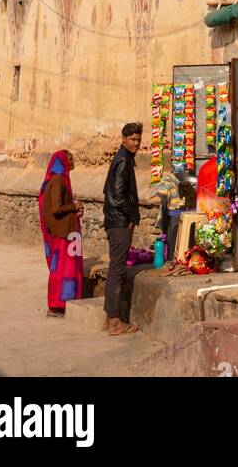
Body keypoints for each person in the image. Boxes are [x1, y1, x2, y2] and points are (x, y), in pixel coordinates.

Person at [102, 121, 142, 335]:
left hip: (114, 220)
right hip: (119, 222)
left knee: (115, 267)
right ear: (124, 140)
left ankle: (110, 318)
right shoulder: (123, 161)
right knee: (118, 269)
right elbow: (118, 196)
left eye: (138, 139)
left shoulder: (122, 159)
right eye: (133, 139)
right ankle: (115, 321)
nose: (136, 143)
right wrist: (131, 215)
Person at [37, 149, 84, 318]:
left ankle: (64, 303)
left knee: (66, 270)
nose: (72, 162)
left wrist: (74, 211)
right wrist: (75, 207)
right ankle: (57, 305)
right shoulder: (58, 180)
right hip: (64, 234)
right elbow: (56, 209)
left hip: (67, 231)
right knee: (63, 271)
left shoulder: (61, 179)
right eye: (69, 159)